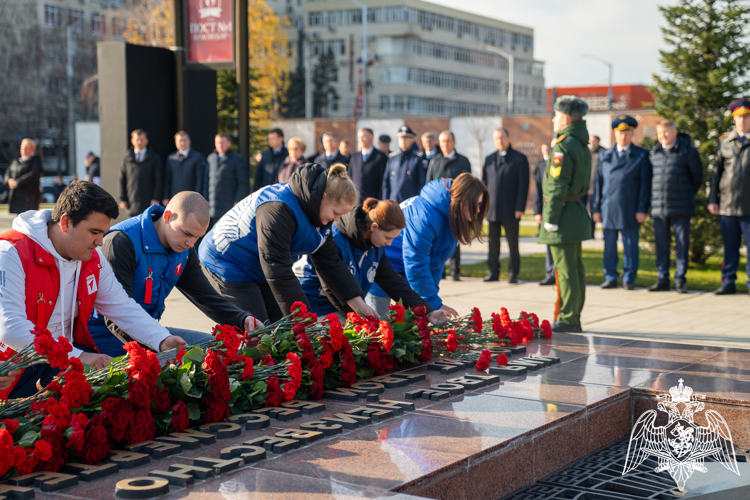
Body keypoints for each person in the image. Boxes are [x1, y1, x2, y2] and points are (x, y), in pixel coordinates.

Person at [0, 181, 189, 399]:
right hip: (12, 368)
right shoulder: (11, 251)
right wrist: (79, 356)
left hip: (60, 362)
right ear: (65, 222)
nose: (100, 242)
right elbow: (10, 328)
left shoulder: (91, 257)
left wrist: (162, 339)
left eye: (104, 232)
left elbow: (121, 306)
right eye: (94, 232)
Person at [87, 192, 262, 357]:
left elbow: (205, 295)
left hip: (152, 334)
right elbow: (116, 315)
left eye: (197, 237)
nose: (190, 243)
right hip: (108, 339)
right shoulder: (121, 242)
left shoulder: (183, 250)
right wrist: (161, 345)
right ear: (168, 216)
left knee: (219, 351)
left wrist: (242, 318)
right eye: (186, 233)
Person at [199, 164, 377, 323]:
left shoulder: (321, 217)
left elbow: (330, 262)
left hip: (261, 267)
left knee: (281, 328)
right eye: (336, 213)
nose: (337, 219)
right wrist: (304, 321)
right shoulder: (278, 209)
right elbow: (278, 268)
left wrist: (357, 302)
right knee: (256, 332)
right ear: (323, 197)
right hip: (228, 262)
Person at [294, 198, 448, 324]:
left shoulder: (374, 245)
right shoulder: (335, 238)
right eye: (388, 238)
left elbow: (392, 281)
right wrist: (361, 318)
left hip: (343, 309)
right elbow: (331, 287)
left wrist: (428, 311)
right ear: (373, 227)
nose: (389, 244)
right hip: (314, 308)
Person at [367, 173, 489, 317]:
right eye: (476, 204)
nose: (478, 211)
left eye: (481, 205)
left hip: (409, 273)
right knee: (378, 329)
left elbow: (436, 262)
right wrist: (432, 303)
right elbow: (416, 264)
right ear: (463, 201)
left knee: (414, 330)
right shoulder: (425, 216)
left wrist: (432, 300)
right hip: (384, 270)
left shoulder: (452, 216)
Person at [538, 96, 592, 333]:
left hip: (563, 214)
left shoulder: (563, 146)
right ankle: (573, 314)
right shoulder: (580, 144)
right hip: (575, 212)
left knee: (566, 269)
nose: (553, 120)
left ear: (566, 118)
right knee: (575, 267)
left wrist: (550, 219)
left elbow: (557, 187)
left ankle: (569, 317)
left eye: (557, 116)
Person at [591, 115, 652, 290]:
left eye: (626, 132)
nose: (623, 136)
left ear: (632, 134)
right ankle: (610, 276)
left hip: (630, 208)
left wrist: (642, 208)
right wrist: (596, 208)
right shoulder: (605, 156)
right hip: (608, 207)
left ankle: (629, 277)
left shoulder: (641, 155)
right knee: (609, 246)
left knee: (630, 245)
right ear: (615, 134)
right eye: (620, 133)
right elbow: (598, 183)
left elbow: (644, 185)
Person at [648, 120, 703, 294]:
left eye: (666, 132)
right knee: (662, 246)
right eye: (660, 133)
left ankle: (680, 280)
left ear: (675, 133)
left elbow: (697, 178)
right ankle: (662, 279)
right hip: (659, 208)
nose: (663, 136)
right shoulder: (654, 154)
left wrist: (684, 194)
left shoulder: (688, 152)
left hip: (681, 207)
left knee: (682, 245)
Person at [709, 99, 750, 296]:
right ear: (734, 119)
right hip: (727, 205)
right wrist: (712, 200)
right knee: (730, 248)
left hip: (748, 207)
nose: (742, 121)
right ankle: (728, 282)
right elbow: (716, 174)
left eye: (746, 116)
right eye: (738, 117)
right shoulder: (725, 143)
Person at [482, 128, 530, 283]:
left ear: (509, 138)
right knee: (492, 243)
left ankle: (513, 273)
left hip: (511, 209)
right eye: (496, 138)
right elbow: (484, 185)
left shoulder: (519, 158)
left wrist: (520, 207)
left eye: (502, 137)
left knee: (512, 243)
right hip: (493, 209)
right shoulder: (489, 159)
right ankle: (493, 272)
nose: (499, 141)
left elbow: (524, 185)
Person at [425, 130, 471, 281]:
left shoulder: (463, 161)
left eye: (448, 141)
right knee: (437, 239)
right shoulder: (435, 160)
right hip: (437, 210)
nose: (445, 144)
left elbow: (467, 186)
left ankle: (455, 271)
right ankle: (440, 271)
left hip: (455, 208)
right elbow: (428, 184)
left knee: (453, 239)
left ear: (454, 142)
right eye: (442, 141)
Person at [205, 133, 249, 229]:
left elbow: (243, 183)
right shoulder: (210, 158)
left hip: (230, 206)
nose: (220, 145)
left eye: (222, 142)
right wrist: (206, 198)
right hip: (213, 205)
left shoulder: (238, 160)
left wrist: (238, 200)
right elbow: (206, 181)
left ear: (229, 143)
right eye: (217, 143)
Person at [119, 129, 163, 217]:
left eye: (142, 140)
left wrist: (155, 198)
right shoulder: (126, 159)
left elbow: (158, 179)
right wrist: (122, 198)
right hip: (131, 202)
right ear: (132, 141)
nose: (139, 142)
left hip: (148, 202)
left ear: (146, 141)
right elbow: (122, 179)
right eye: (137, 140)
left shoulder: (154, 158)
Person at [382, 126, 426, 204]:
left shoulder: (418, 158)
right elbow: (386, 183)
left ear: (412, 140)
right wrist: (385, 202)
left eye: (406, 138)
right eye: (401, 138)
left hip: (411, 203)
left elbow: (422, 182)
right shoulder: (392, 158)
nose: (403, 140)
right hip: (394, 204)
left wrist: (417, 202)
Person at [163, 131, 206, 205]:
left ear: (189, 141)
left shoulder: (198, 157)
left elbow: (200, 179)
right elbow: (167, 179)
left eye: (184, 140)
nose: (182, 143)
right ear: (175, 142)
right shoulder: (171, 158)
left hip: (191, 199)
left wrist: (196, 197)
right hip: (174, 198)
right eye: (180, 141)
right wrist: (165, 196)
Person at [534, 143, 555, 286]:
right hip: (546, 210)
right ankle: (549, 273)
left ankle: (559, 274)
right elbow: (537, 190)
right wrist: (537, 211)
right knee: (548, 244)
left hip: (560, 210)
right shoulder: (541, 166)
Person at [4, 138, 43, 214]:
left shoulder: (35, 161)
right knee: (18, 219)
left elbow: (33, 175)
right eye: (22, 147)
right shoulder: (17, 160)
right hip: (16, 196)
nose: (23, 150)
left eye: (26, 148)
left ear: (32, 149)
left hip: (28, 197)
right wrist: (9, 180)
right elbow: (8, 171)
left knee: (28, 218)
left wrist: (17, 182)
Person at [348, 128, 388, 200]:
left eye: (363, 137)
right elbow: (349, 178)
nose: (360, 139)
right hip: (355, 203)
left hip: (373, 203)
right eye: (359, 137)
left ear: (371, 138)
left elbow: (383, 182)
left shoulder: (380, 157)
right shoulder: (354, 156)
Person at [588, 135, 604, 238]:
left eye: (594, 140)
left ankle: (604, 233)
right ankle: (591, 233)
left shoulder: (603, 152)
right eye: (591, 141)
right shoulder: (587, 153)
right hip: (589, 188)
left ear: (598, 141)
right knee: (591, 211)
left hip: (601, 188)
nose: (592, 142)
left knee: (601, 211)